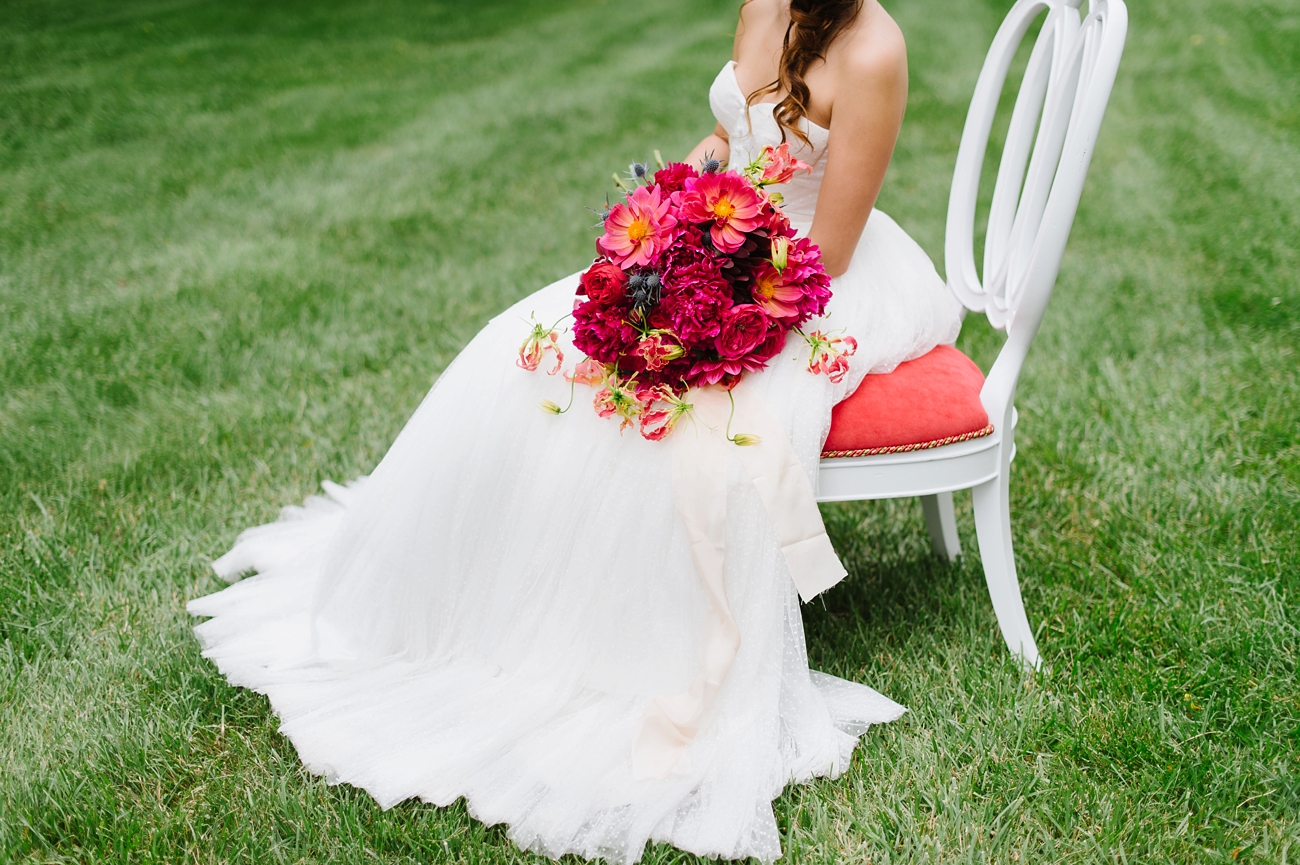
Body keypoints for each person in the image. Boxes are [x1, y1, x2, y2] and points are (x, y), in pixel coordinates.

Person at [188, 1, 962, 861]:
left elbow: (831, 253)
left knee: (679, 428)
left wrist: (707, 299)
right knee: (525, 355)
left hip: (807, 285)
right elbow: (727, 137)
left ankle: (617, 653)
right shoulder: (760, 5)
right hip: (719, 241)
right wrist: (669, 216)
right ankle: (491, 608)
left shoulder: (874, 51)